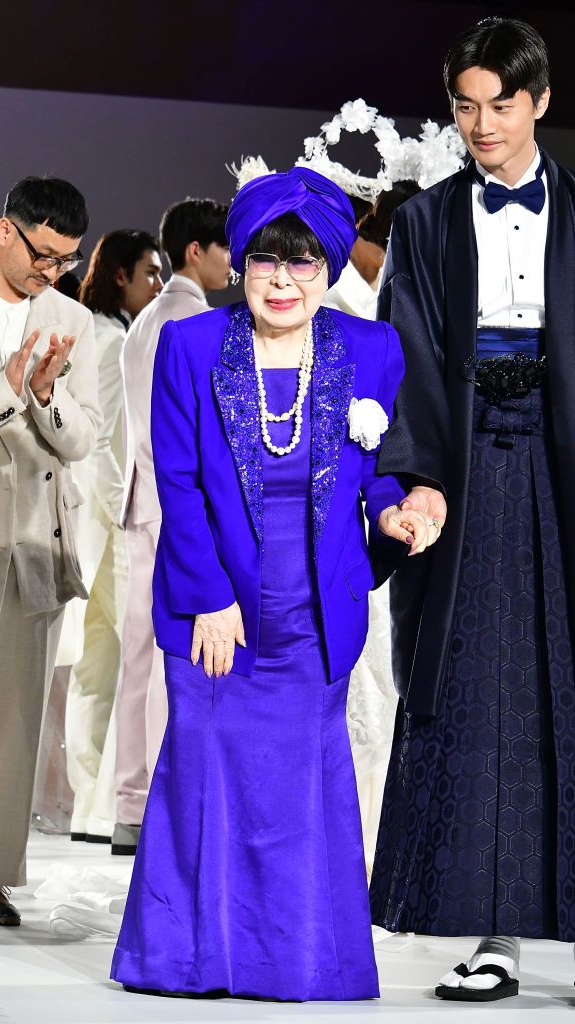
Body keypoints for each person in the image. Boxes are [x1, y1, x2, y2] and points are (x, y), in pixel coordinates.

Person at [111, 166, 436, 1001]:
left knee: (300, 785)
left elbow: (377, 477)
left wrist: (397, 512)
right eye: (264, 262)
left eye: (301, 264)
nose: (282, 281)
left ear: (327, 270)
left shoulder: (370, 349)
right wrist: (208, 599)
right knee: (206, 769)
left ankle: (298, 960)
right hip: (214, 607)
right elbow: (175, 481)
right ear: (242, 265)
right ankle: (194, 958)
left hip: (316, 610)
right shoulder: (189, 347)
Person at [369, 16, 575, 1002]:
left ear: (541, 102)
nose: (481, 124)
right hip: (470, 466)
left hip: (568, 461)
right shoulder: (424, 222)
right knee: (486, 699)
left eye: (501, 104)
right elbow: (404, 351)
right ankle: (494, 934)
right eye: (465, 105)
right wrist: (417, 477)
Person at [0, 176, 100, 925]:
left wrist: (43, 395)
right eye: (43, 255)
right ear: (7, 230)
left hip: (35, 540)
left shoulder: (72, 318)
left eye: (65, 261)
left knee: (14, 727)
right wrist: (5, 391)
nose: (51, 272)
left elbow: (84, 437)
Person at [113, 199, 231, 855]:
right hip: (178, 508)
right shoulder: (190, 318)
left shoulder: (149, 317)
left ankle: (132, 805)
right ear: (196, 251)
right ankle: (164, 804)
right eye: (225, 249)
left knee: (140, 662)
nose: (233, 263)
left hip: (141, 502)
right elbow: (202, 433)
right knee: (175, 660)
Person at [325, 181, 421, 879]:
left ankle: (395, 849)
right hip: (351, 527)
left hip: (414, 516)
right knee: (361, 692)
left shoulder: (418, 304)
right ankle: (351, 853)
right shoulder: (333, 310)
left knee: (397, 692)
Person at [64, 230, 162, 844]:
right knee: (110, 663)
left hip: (105, 523)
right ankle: (93, 804)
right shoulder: (106, 339)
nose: (155, 283)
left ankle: (90, 806)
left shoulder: (109, 333)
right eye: (150, 272)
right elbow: (99, 441)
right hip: (107, 528)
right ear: (120, 274)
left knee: (100, 665)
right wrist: (114, 515)